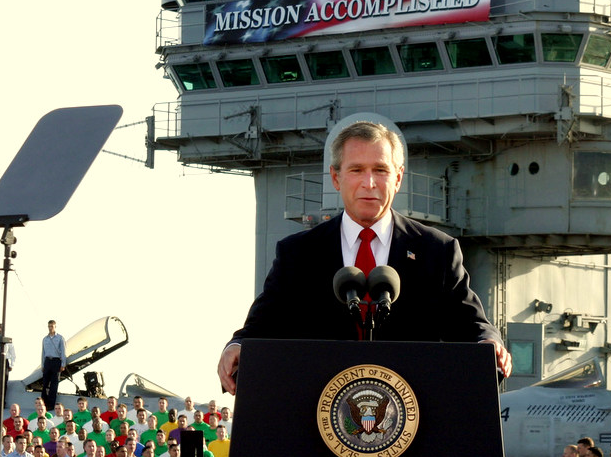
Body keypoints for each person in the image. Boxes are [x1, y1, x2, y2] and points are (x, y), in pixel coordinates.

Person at [217, 121, 512, 395]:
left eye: (381, 170)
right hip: (318, 418)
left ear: (398, 178)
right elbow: (262, 327)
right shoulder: (298, 253)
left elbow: (473, 326)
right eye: (356, 170)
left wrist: (491, 344)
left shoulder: (438, 250)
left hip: (415, 421)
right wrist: (237, 345)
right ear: (336, 177)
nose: (369, 182)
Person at [41, 320, 66, 409]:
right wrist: (43, 365)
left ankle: (51, 405)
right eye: (49, 326)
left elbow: (63, 352)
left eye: (52, 326)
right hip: (47, 361)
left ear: (55, 327)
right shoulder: (45, 339)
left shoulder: (60, 338)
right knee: (45, 384)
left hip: (56, 361)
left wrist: (63, 364)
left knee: (54, 384)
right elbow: (43, 353)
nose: (50, 328)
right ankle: (43, 404)